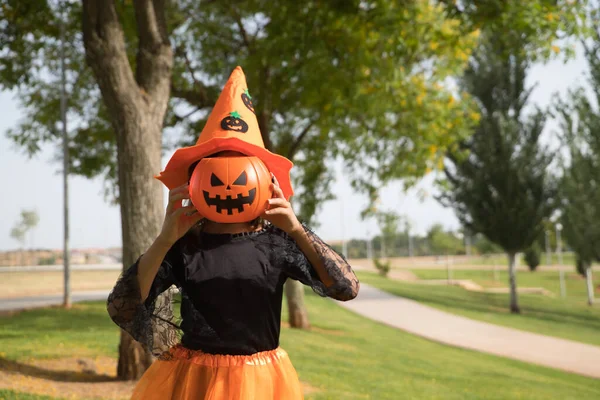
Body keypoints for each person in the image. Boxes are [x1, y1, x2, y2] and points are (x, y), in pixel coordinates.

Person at [106, 67, 360, 400]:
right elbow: (125, 305)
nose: (228, 184)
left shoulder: (278, 244)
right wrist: (166, 237)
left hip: (261, 383)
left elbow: (345, 287)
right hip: (194, 380)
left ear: (264, 181)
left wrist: (296, 230)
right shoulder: (185, 247)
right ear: (196, 180)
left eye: (241, 173)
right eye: (215, 172)